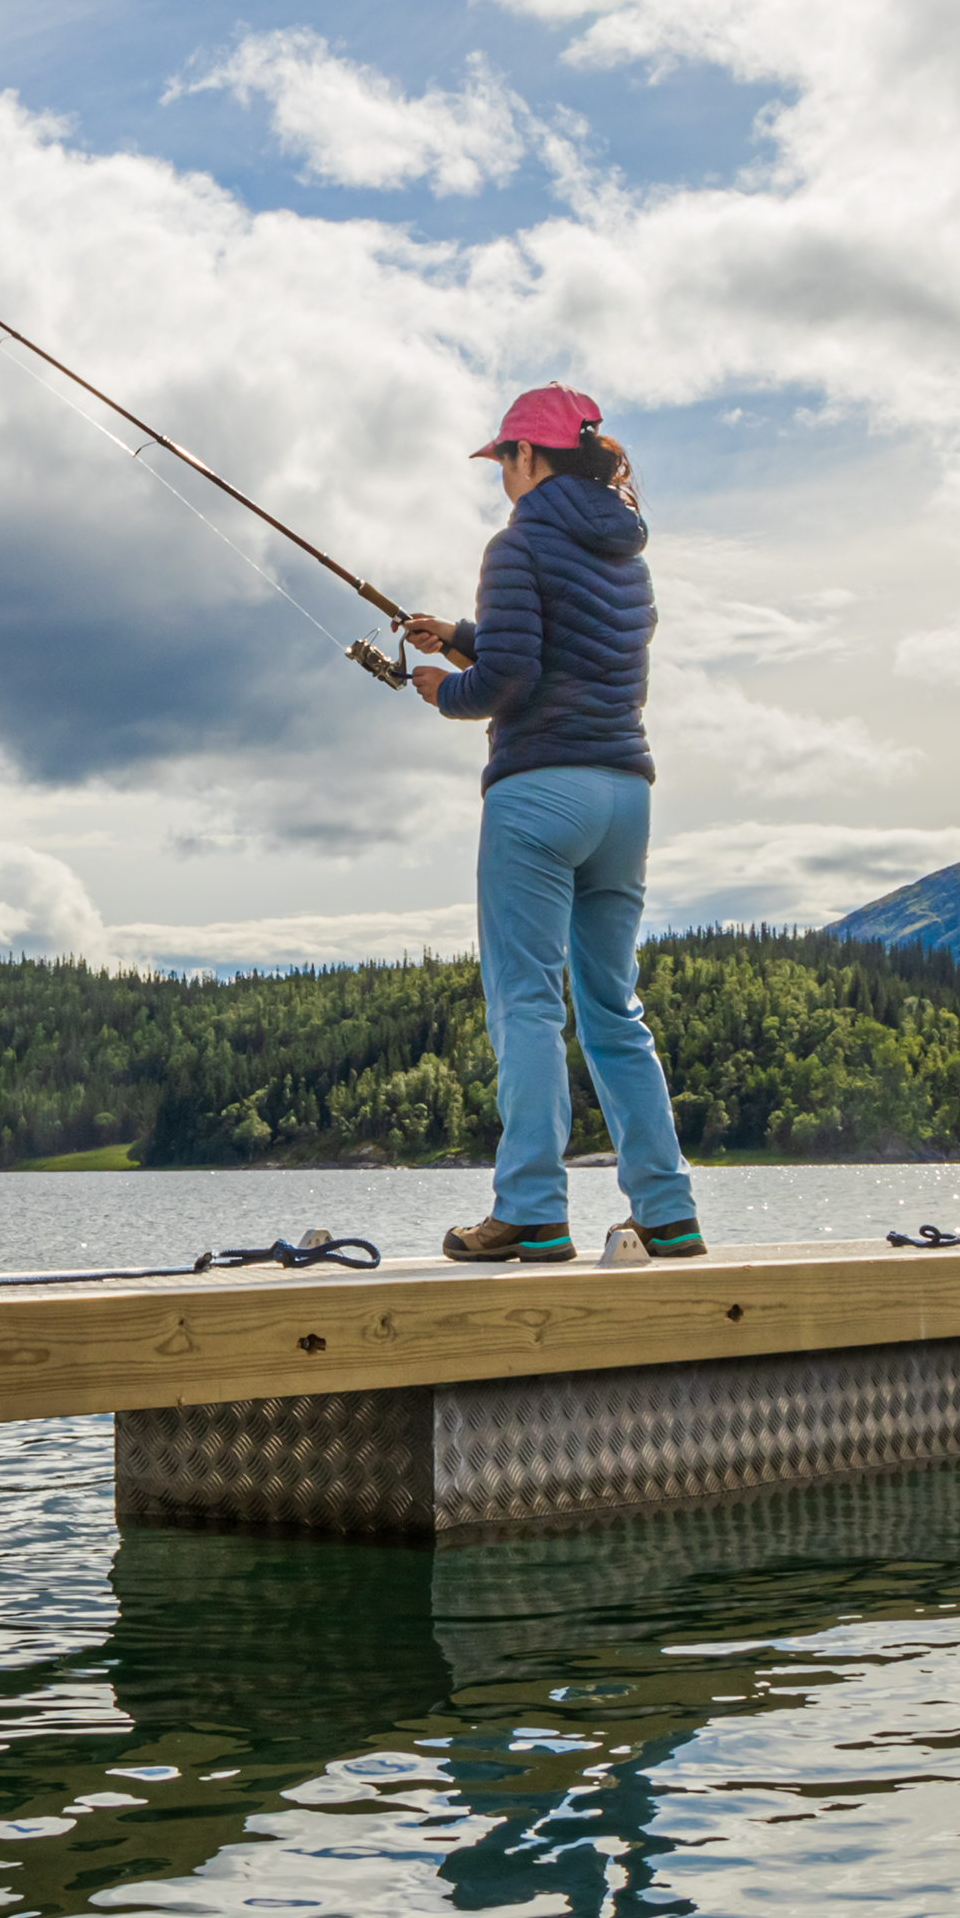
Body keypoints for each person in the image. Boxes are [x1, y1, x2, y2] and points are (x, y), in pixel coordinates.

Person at [401, 386, 707, 1264]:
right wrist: (462, 632)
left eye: (504, 457)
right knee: (615, 1010)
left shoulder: (517, 542)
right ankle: (667, 1212)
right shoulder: (626, 555)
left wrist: (444, 688)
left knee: (527, 1005)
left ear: (530, 459)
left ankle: (532, 1212)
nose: (501, 474)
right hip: (625, 794)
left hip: (539, 793)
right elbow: (567, 653)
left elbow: (507, 681)